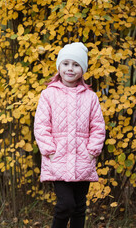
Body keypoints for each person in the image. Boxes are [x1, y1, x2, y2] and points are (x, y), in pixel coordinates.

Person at [34, 42, 106, 228]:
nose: (70, 69)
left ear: (82, 69)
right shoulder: (48, 94)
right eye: (66, 63)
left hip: (83, 159)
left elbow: (98, 127)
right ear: (59, 66)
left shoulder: (90, 97)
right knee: (66, 205)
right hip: (57, 158)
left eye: (76, 64)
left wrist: (92, 151)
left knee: (79, 207)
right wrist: (49, 150)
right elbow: (41, 125)